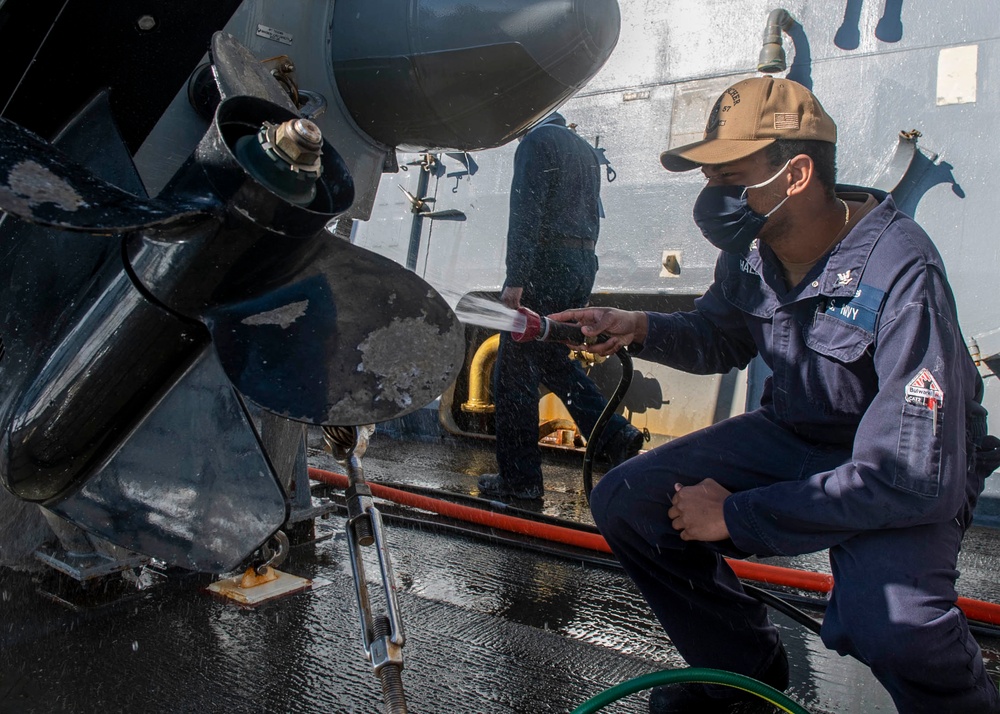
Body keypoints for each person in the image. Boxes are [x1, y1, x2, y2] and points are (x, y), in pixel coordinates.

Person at [549, 77, 1000, 713]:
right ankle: (743, 674)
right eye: (708, 179)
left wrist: (734, 517)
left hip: (904, 464)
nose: (712, 198)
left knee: (893, 627)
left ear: (795, 174)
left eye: (729, 178)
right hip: (800, 432)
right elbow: (719, 337)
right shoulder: (755, 248)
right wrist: (638, 328)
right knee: (627, 500)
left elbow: (909, 476)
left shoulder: (902, 271)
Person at [478, 111, 645, 501]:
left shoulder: (536, 142)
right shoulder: (585, 151)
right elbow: (592, 217)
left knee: (513, 377)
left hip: (544, 267)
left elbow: (525, 213)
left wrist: (515, 278)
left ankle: (520, 483)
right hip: (579, 264)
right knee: (552, 360)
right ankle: (615, 436)